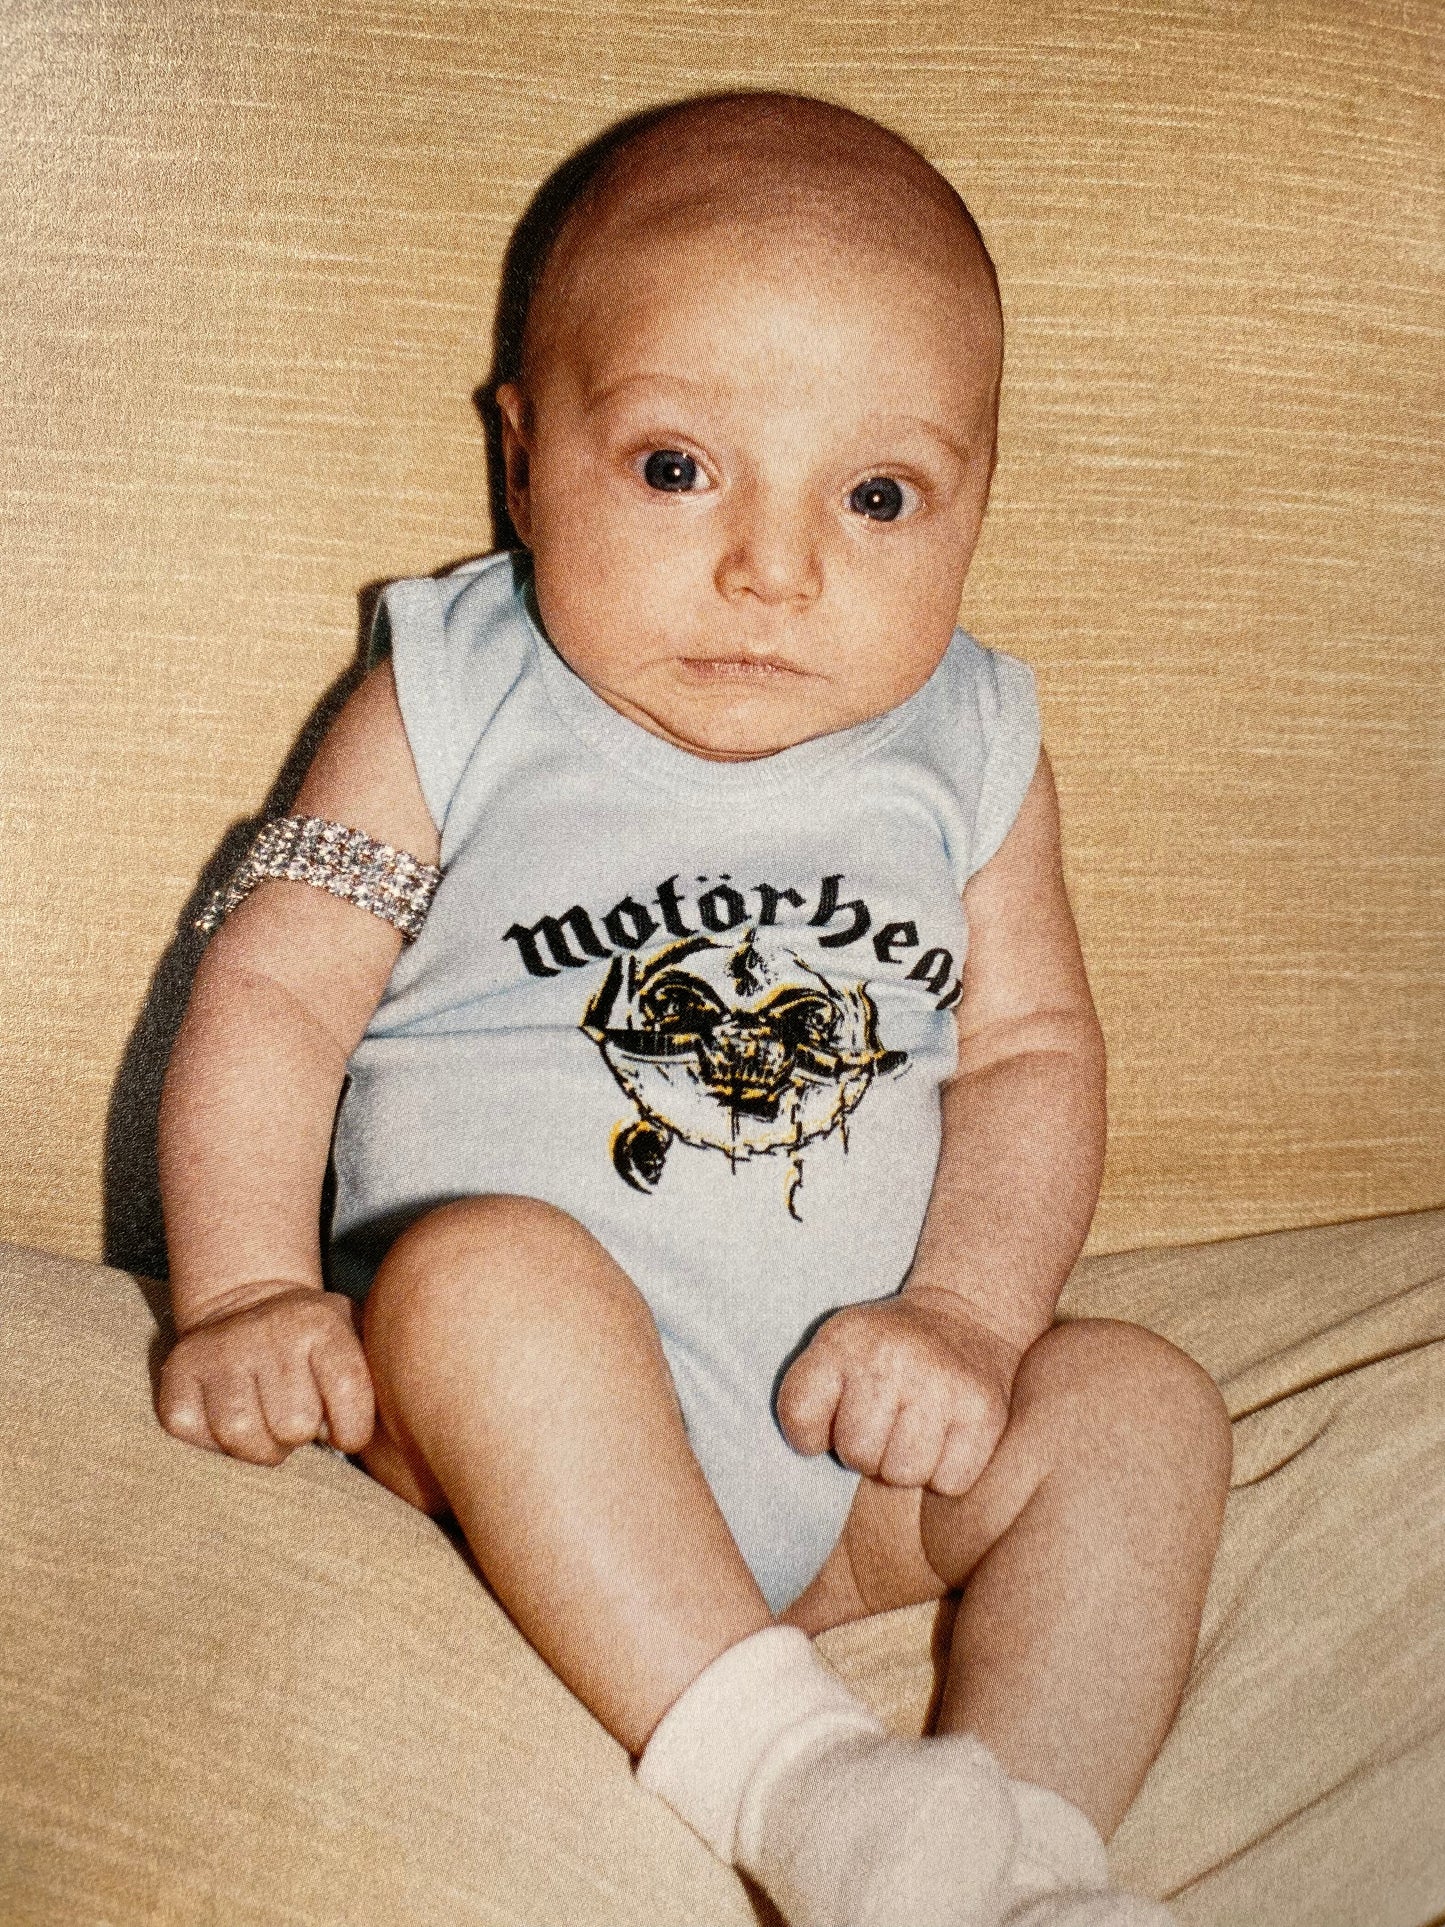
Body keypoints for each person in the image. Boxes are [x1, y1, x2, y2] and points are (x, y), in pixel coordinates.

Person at [155, 92, 1232, 1927]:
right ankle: (797, 1783)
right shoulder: (459, 689)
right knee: (489, 1274)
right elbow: (277, 985)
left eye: (876, 498)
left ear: (979, 499)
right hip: (484, 1465)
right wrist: (248, 1288)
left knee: (1139, 1408)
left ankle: (1017, 1863)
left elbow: (1032, 1053)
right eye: (676, 468)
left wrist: (968, 1318)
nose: (773, 568)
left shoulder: (973, 741)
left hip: (831, 1474)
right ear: (523, 461)